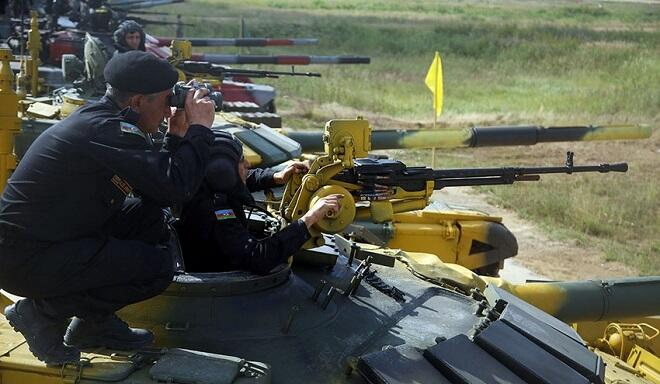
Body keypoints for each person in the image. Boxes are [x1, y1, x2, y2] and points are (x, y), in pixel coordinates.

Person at [0, 51, 216, 365]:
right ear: (138, 102)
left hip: (50, 240)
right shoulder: (106, 130)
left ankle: (93, 325)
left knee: (150, 220)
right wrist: (201, 130)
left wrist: (177, 136)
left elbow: (160, 192)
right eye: (167, 100)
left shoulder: (104, 121)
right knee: (158, 266)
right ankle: (40, 313)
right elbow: (176, 187)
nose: (171, 108)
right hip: (24, 258)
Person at [177, 132, 342, 275]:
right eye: (241, 161)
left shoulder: (199, 185)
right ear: (224, 172)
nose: (248, 164)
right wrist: (310, 217)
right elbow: (258, 258)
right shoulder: (219, 216)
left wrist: (276, 176)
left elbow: (243, 179)